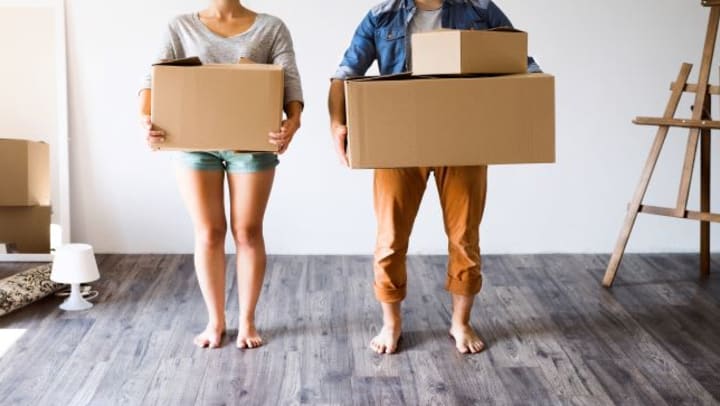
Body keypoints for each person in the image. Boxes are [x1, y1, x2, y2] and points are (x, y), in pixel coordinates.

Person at [328, 0, 540, 355]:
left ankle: (461, 322)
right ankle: (391, 323)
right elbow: (344, 73)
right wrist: (337, 123)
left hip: (464, 139)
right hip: (398, 140)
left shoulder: (480, 11)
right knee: (390, 237)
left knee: (464, 237)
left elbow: (522, 63)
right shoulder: (383, 15)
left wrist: (528, 106)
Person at [139, 0, 303, 349]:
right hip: (195, 143)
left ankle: (247, 321)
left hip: (253, 143)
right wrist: (146, 122)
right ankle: (215, 321)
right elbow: (152, 80)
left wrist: (293, 123)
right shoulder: (180, 26)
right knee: (209, 231)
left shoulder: (270, 27)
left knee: (247, 231)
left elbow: (290, 82)